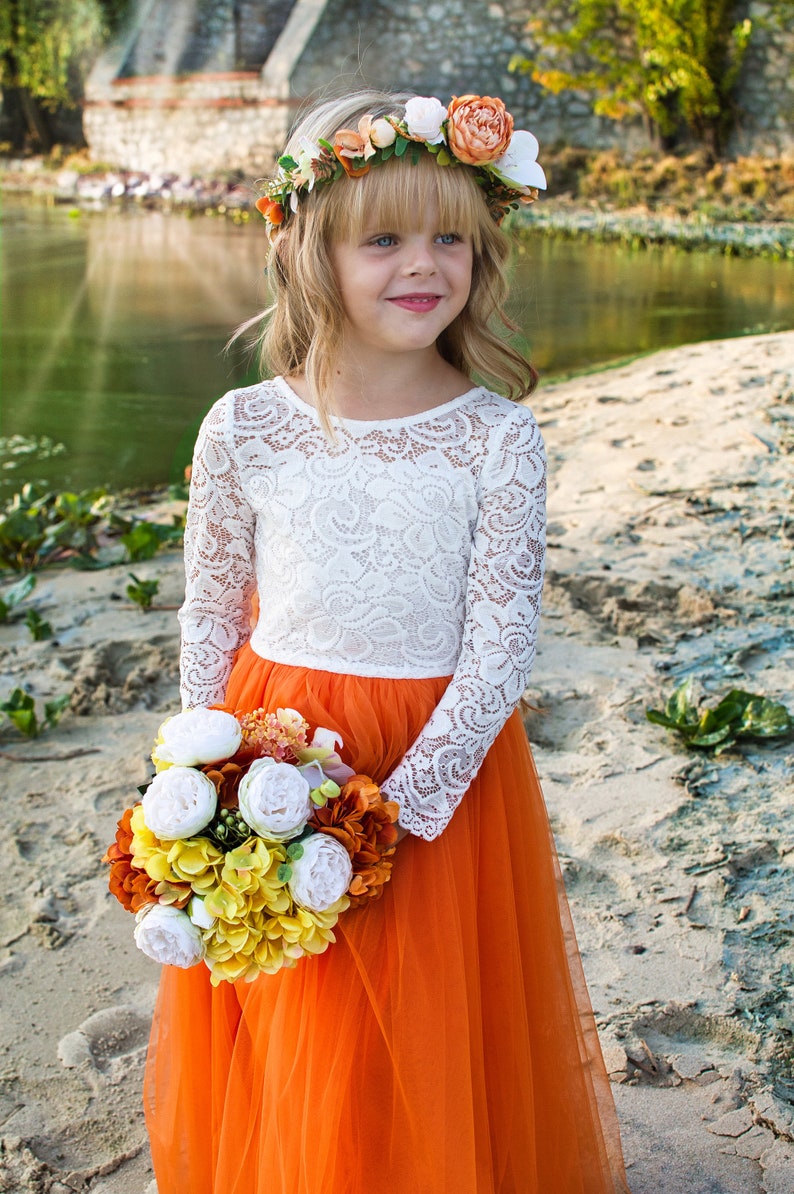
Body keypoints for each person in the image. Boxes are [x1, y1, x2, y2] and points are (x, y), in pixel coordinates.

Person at [144, 88, 630, 1194]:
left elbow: (501, 644)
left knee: (423, 1010)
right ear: (311, 253)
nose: (424, 265)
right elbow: (211, 607)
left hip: (432, 771)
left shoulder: (496, 439)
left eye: (449, 236)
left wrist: (397, 813)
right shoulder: (245, 426)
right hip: (278, 745)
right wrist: (212, 759)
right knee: (294, 996)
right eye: (384, 240)